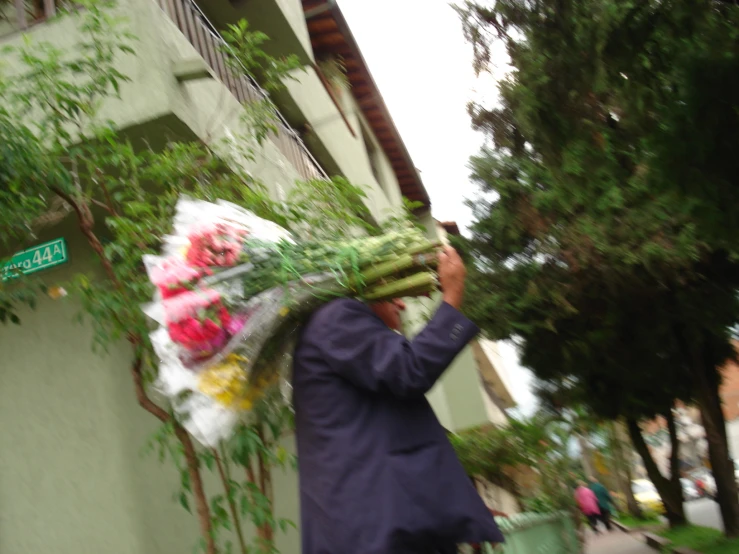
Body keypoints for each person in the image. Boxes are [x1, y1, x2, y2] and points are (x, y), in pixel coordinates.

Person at [293, 246, 504, 554]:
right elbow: (410, 370)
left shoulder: (333, 324)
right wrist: (453, 297)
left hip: (378, 526)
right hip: (374, 529)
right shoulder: (338, 317)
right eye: (396, 295)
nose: (403, 305)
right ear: (371, 289)